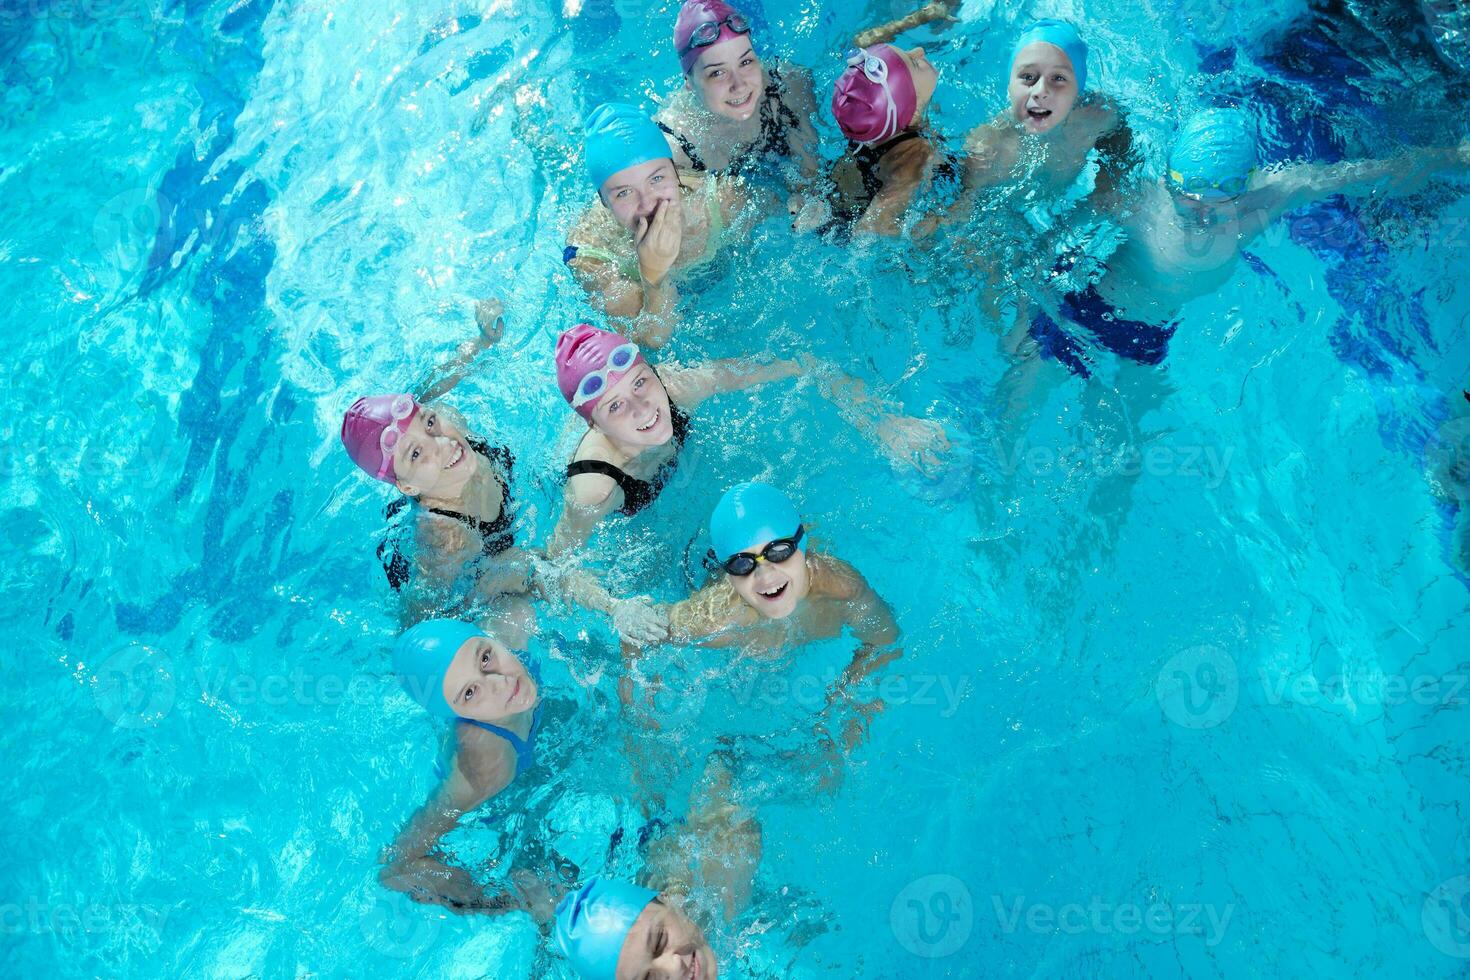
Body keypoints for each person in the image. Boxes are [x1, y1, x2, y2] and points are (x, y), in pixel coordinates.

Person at [1027, 108, 1470, 378]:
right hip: (1086, 308)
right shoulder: (1141, 198)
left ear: (1243, 193)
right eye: (1189, 205)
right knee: (1024, 399)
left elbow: (1356, 174)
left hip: (1152, 331)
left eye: (1215, 208)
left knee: (1127, 443)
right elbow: (1067, 224)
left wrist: (1453, 157)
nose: (1201, 217)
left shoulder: (1266, 202)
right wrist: (1029, 271)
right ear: (1169, 182)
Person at [341, 304, 665, 646]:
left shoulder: (449, 426)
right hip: (467, 582)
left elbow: (428, 390)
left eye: (430, 423)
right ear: (406, 485)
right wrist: (614, 608)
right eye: (417, 453)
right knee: (518, 609)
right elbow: (543, 573)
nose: (444, 443)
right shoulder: (448, 542)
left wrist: (481, 342)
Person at [548, 323, 950, 555]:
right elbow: (557, 562)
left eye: (640, 382)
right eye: (615, 406)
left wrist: (885, 423)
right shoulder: (594, 492)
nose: (641, 407)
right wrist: (618, 609)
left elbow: (799, 363)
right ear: (595, 426)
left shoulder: (677, 386)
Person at [639, 483, 899, 754]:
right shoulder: (718, 619)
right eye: (742, 564)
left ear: (802, 546)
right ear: (728, 573)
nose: (765, 576)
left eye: (779, 551)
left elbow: (884, 640)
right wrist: (641, 724)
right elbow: (639, 629)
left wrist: (850, 701)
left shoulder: (841, 589)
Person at [657, 0, 958, 224]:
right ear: (688, 83)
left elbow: (809, 176)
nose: (740, 86)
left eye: (746, 62)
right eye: (717, 74)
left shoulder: (788, 86)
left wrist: (806, 197)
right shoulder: (672, 147)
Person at [378, 619, 547, 913]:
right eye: (470, 693)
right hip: (500, 812)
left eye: (485, 657)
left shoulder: (513, 629)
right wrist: (495, 900)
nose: (501, 683)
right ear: (456, 712)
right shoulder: (486, 764)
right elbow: (396, 868)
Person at [552, 756, 760, 979]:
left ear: (666, 898)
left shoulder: (725, 857)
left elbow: (723, 758)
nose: (674, 967)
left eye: (660, 940)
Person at [564, 103, 748, 348]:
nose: (648, 203)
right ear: (604, 202)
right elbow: (650, 345)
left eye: (657, 179)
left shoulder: (721, 201)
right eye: (624, 193)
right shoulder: (594, 257)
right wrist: (653, 277)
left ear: (676, 172)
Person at [828, 42, 959, 234]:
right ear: (913, 111)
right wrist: (935, 224)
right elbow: (868, 230)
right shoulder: (916, 156)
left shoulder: (862, 139)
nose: (919, 51)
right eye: (915, 63)